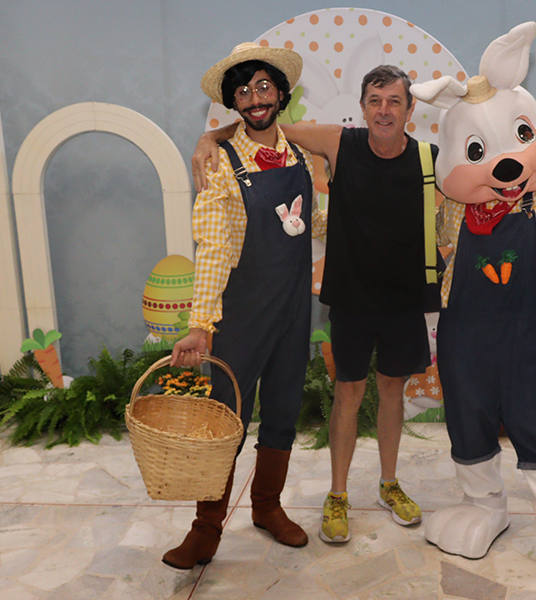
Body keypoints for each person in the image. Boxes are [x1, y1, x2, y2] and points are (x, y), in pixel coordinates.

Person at [194, 65, 437, 544]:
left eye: (394, 101)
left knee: (318, 403)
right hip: (308, 303)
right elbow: (215, 242)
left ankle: (293, 502)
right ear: (362, 106)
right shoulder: (331, 144)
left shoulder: (421, 158)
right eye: (375, 100)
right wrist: (212, 137)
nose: (384, 110)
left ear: (410, 109)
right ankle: (216, 524)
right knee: (249, 409)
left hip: (363, 302)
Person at [163, 42, 325, 570]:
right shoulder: (222, 163)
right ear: (232, 102)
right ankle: (205, 528)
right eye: (242, 91)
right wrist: (200, 324)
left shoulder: (302, 156)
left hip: (293, 310)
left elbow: (315, 221)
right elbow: (213, 246)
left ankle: (267, 507)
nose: (254, 99)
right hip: (242, 314)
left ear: (280, 92)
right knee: (226, 417)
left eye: (263, 87)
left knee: (283, 410)